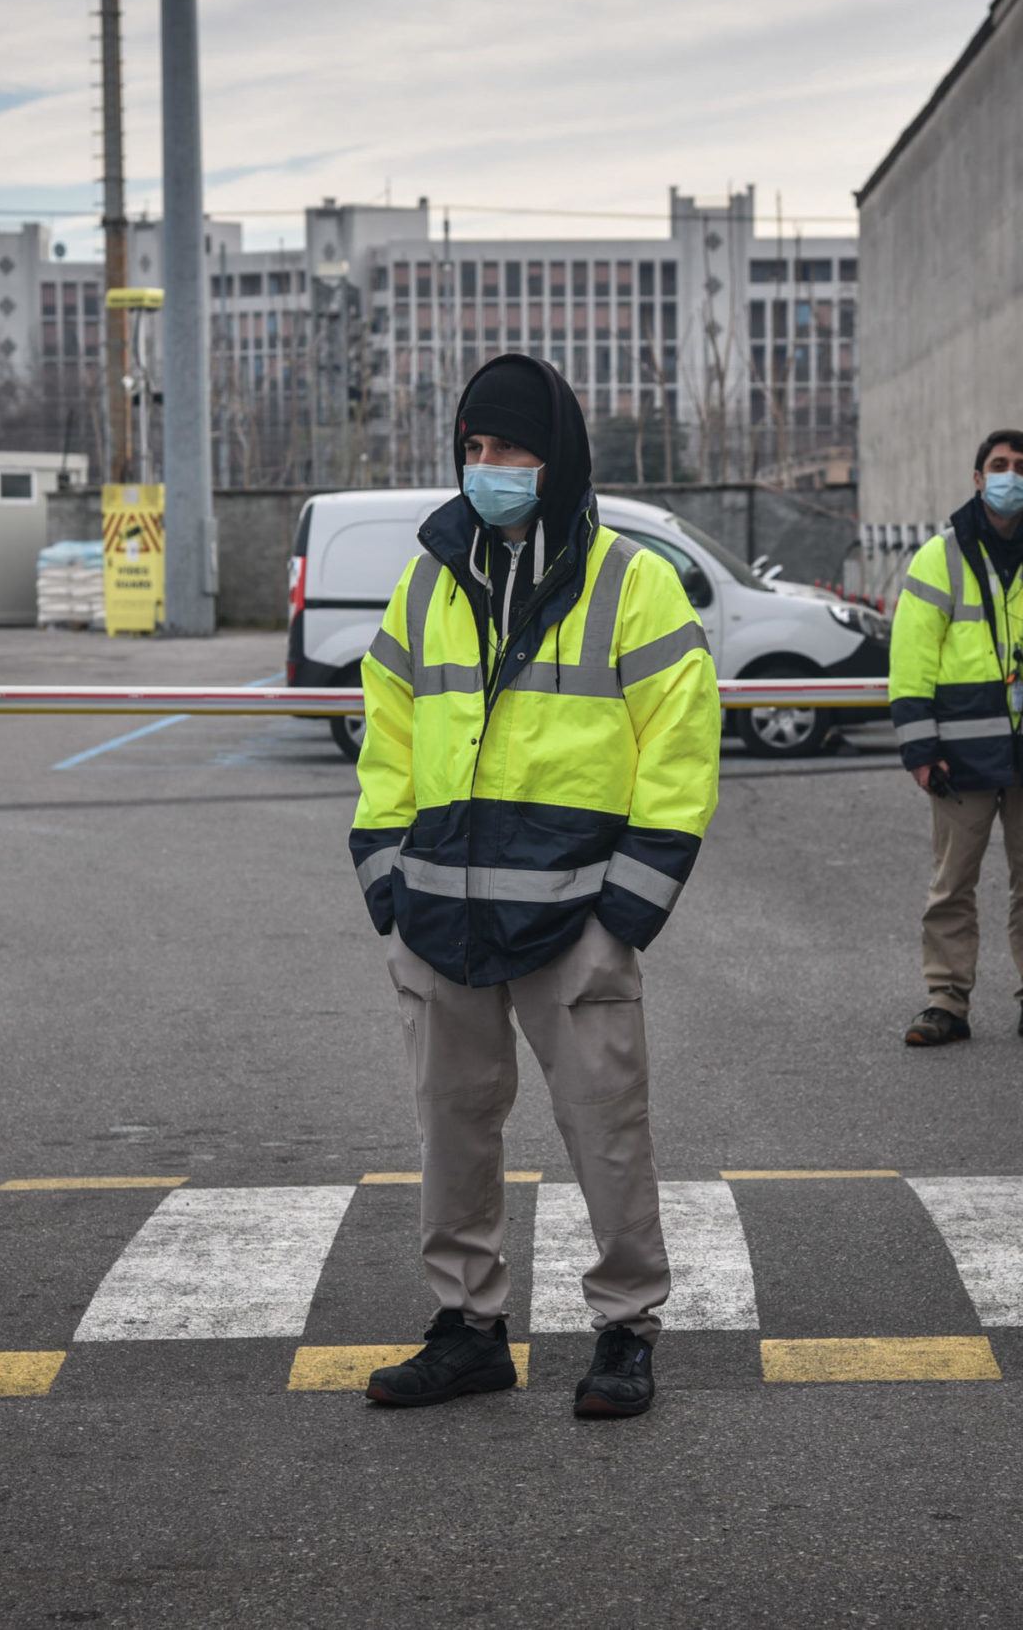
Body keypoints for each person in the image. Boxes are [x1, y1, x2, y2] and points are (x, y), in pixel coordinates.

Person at [349, 353, 721, 1418]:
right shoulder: (427, 579)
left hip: (575, 921)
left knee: (607, 1127)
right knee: (450, 1126)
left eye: (509, 448)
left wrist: (625, 914)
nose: (488, 467)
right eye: (472, 448)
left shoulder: (630, 582)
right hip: (439, 916)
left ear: (555, 458)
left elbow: (681, 749)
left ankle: (624, 1328)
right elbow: (385, 731)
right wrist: (386, 879)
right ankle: (468, 1326)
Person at [890, 428, 1023, 1048]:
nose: (1010, 475)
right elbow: (911, 658)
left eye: (1021, 466)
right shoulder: (941, 556)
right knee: (951, 885)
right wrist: (920, 748)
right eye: (998, 465)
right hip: (958, 757)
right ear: (978, 478)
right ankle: (945, 1004)